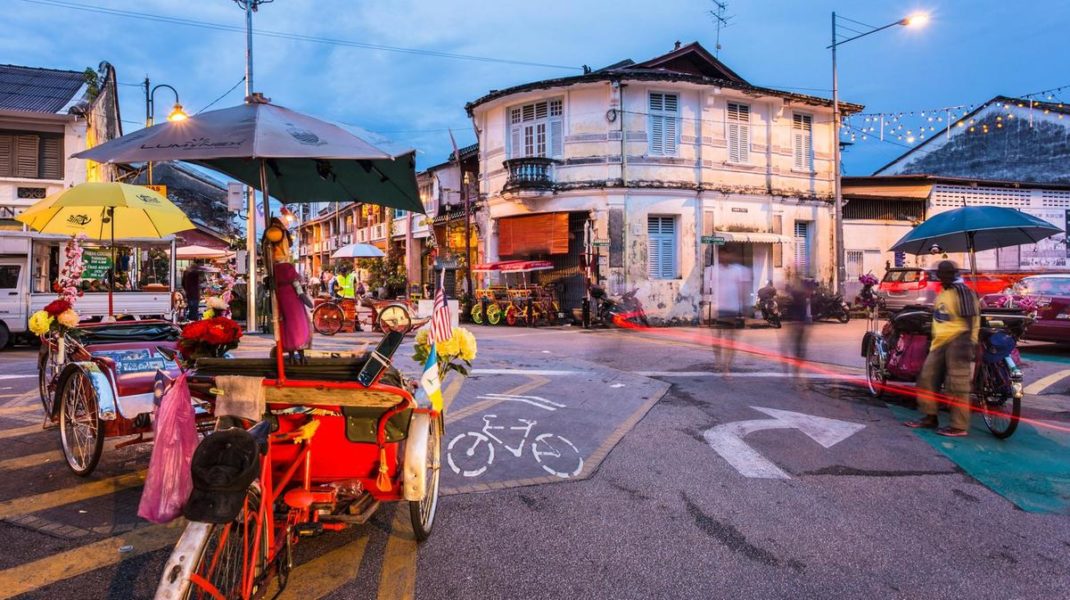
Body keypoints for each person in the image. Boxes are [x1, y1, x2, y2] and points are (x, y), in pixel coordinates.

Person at [906, 260, 980, 437]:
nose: (943, 276)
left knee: (957, 384)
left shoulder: (962, 291)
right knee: (927, 378)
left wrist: (968, 343)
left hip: (959, 339)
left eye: (947, 273)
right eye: (941, 273)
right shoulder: (944, 291)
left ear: (953, 274)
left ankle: (959, 426)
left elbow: (970, 318)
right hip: (940, 341)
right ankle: (930, 416)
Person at [264, 218, 312, 354]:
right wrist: (300, 293)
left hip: (282, 294)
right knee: (294, 320)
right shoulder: (284, 265)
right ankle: (295, 347)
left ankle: (292, 348)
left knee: (288, 321)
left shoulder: (277, 266)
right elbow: (295, 282)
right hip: (287, 295)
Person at [714, 256, 748, 375]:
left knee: (730, 340)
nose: (725, 258)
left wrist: (743, 307)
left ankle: (726, 366)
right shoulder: (716, 270)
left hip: (732, 309)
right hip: (720, 309)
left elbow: (742, 289)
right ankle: (719, 363)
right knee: (717, 340)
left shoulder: (737, 270)